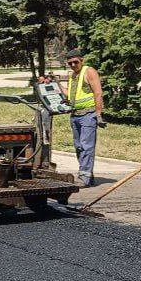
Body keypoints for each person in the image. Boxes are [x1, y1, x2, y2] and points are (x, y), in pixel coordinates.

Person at [40, 50, 105, 187]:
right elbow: (69, 94)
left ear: (82, 60)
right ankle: (87, 175)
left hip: (88, 114)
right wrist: (56, 82)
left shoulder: (89, 71)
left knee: (87, 146)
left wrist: (98, 114)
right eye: (70, 63)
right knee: (79, 146)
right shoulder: (73, 75)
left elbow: (98, 93)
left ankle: (85, 177)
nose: (73, 65)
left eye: (76, 62)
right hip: (75, 114)